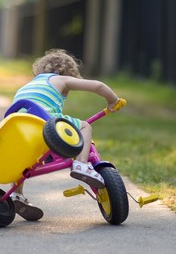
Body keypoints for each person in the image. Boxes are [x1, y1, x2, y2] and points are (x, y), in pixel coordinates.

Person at [9, 48, 120, 221]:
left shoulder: (26, 86)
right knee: (85, 126)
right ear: (69, 73)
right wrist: (113, 100)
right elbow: (98, 86)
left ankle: (15, 194)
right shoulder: (60, 79)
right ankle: (82, 164)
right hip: (45, 123)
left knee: (21, 164)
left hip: (20, 130)